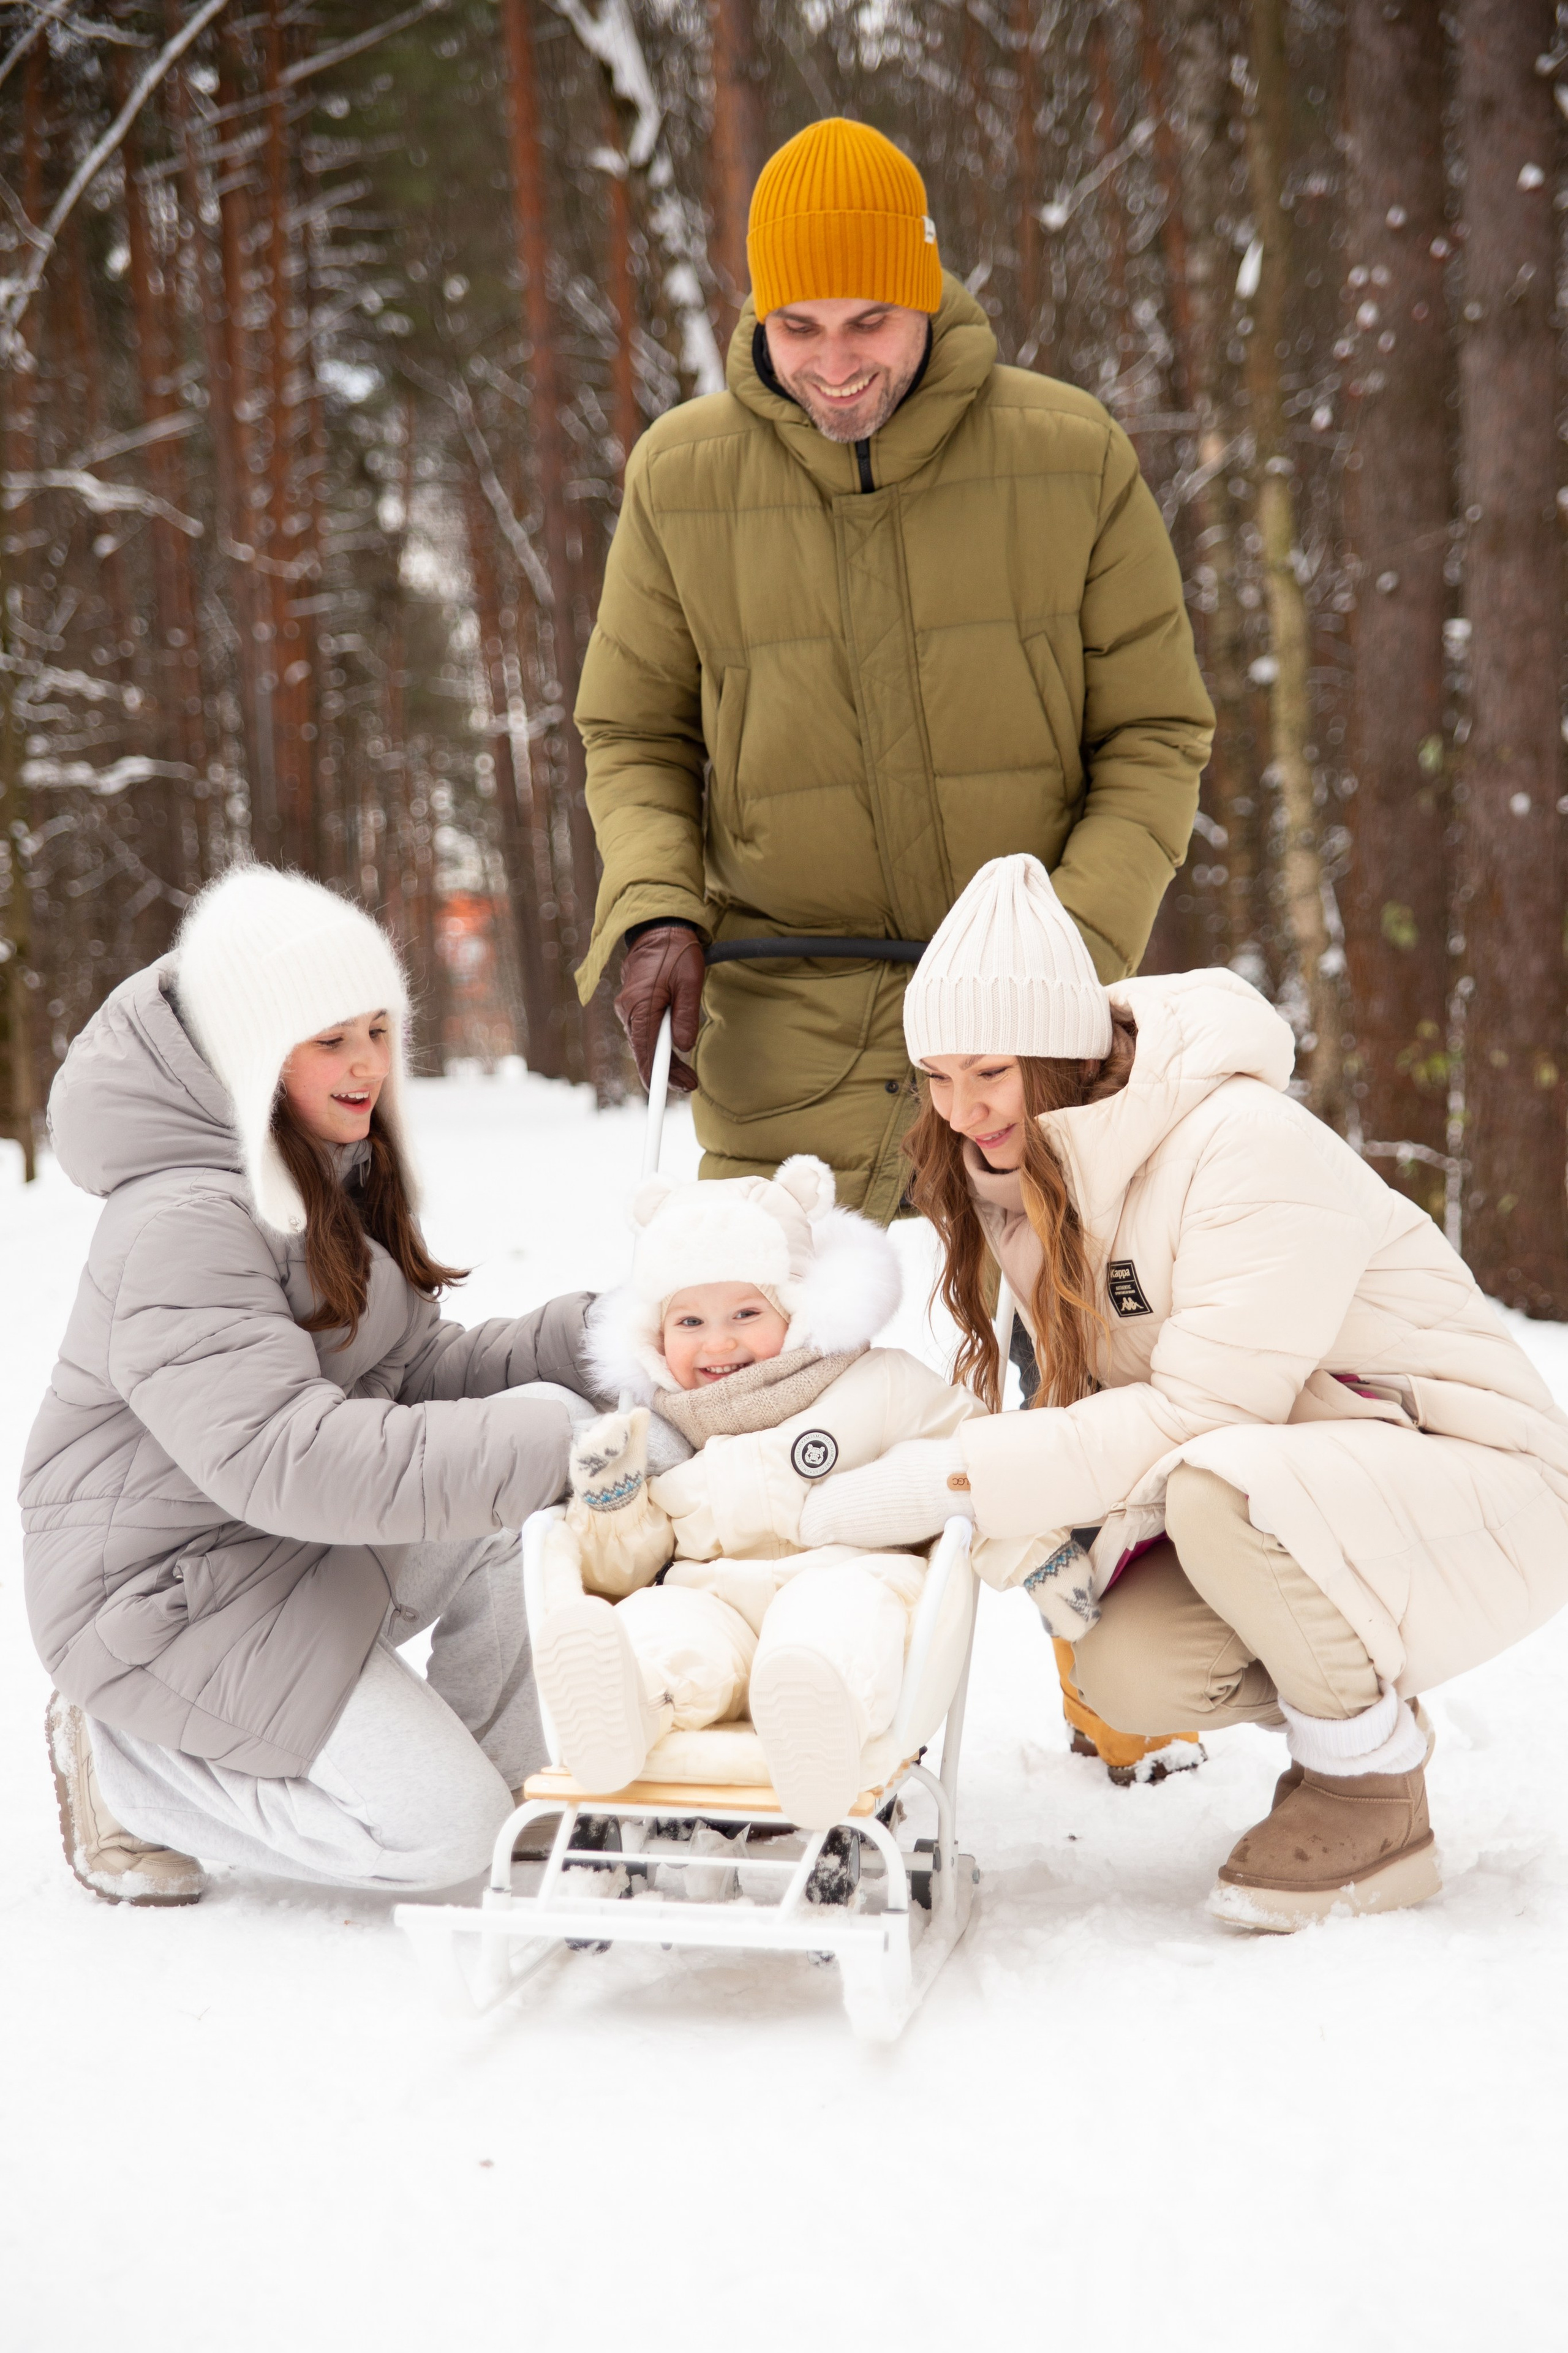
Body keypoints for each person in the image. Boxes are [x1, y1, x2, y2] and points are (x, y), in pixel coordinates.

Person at [795, 853, 1568, 1927]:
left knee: (1220, 1487)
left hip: (1485, 1484)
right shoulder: (1029, 1176)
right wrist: (1035, 1524)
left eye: (989, 1073)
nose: (963, 1111)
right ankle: (1341, 1685)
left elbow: (1203, 1416)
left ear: (1059, 1053)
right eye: (936, 1078)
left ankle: (1371, 1785)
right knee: (1126, 1667)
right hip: (1305, 1485)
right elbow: (1112, 1406)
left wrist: (962, 1480)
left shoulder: (1241, 1148)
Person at [574, 114, 1213, 1225]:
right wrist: (654, 911)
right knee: (769, 1388)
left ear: (925, 292)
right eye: (798, 326)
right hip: (783, 1057)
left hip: (1033, 1060)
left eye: (868, 322)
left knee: (1050, 1387)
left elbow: (1154, 736)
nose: (833, 365)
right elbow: (635, 735)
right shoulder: (681, 477)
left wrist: (1053, 961)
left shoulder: (1072, 455)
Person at [24, 867, 601, 1906]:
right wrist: (562, 1454)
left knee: (543, 1428)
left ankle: (506, 1794)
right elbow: (285, 1458)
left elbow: (413, 1376)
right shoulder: (183, 1222)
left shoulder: (315, 1166)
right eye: (329, 1039)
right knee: (437, 1837)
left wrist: (598, 1344)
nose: (368, 1065)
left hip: (273, 1556)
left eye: (378, 1030)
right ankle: (126, 1766)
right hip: (164, 1603)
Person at [531, 1155, 1042, 1829]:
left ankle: (813, 1720)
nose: (719, 1342)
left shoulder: (874, 1383)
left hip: (844, 1573)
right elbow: (625, 1573)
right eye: (688, 1323)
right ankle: (622, 1709)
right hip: (712, 1596)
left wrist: (902, 1497)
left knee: (836, 1624)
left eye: (746, 1311)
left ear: (801, 1310)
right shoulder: (660, 1429)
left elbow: (981, 1453)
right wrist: (616, 1505)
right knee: (659, 1629)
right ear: (655, 1336)